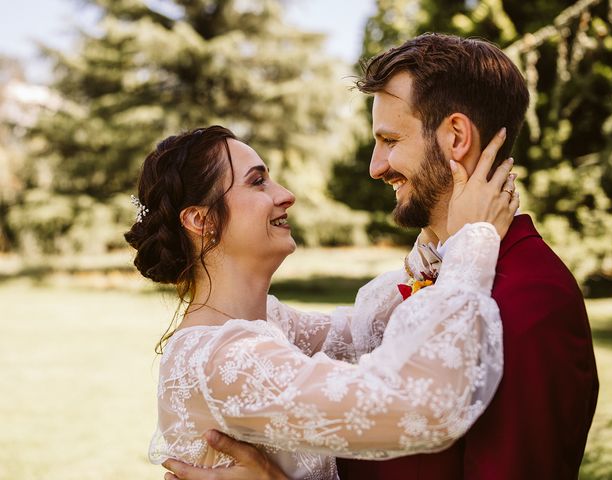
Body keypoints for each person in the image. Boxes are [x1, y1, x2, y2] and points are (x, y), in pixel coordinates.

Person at [162, 33, 599, 480]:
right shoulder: (453, 277)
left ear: (456, 138)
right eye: (257, 182)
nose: (375, 167)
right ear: (199, 221)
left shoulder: (532, 299)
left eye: (389, 139)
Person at [125, 122, 518, 479]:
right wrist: (472, 240)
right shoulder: (223, 359)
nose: (286, 195)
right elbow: (414, 404)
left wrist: (441, 242)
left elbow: (364, 331)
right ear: (201, 220)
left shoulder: (269, 324)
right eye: (257, 181)